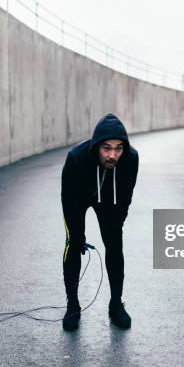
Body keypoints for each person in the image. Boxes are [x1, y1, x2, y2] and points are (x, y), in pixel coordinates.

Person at [61, 113, 139, 331]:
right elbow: (68, 201)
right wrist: (77, 234)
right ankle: (73, 305)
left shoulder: (131, 159)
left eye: (118, 148)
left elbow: (125, 196)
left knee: (114, 244)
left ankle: (116, 304)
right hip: (78, 195)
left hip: (110, 199)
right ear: (96, 146)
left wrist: (117, 223)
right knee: (73, 243)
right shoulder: (75, 158)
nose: (113, 155)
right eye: (106, 148)